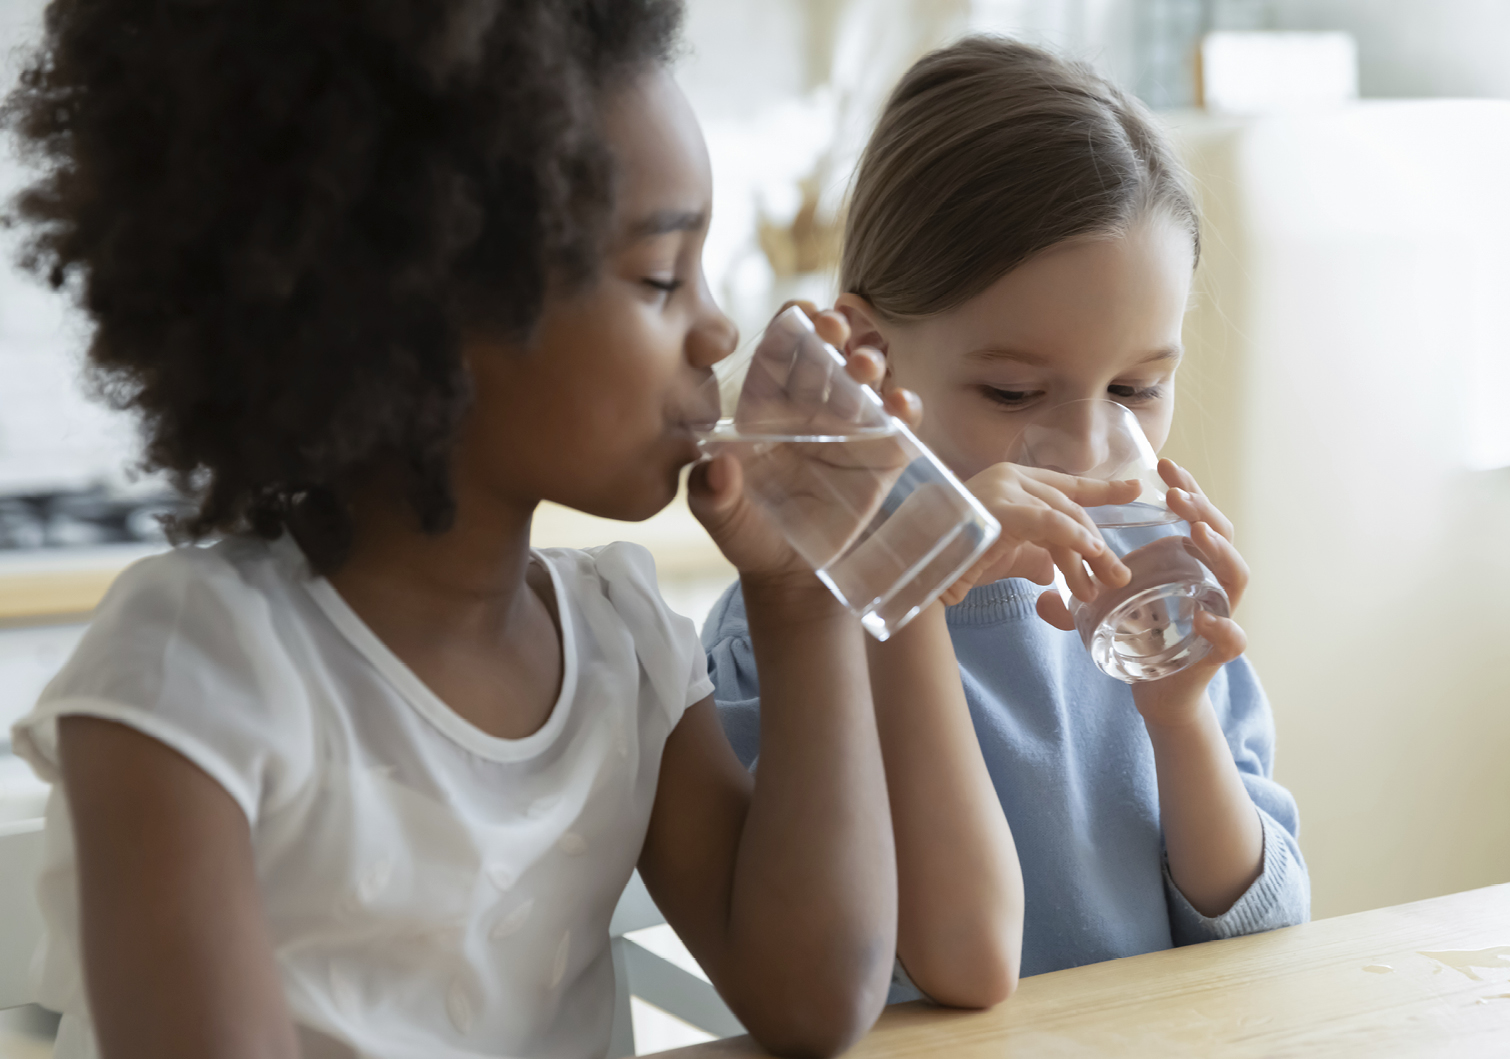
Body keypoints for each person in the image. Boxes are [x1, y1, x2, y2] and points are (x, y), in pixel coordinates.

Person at [6, 3, 913, 1056]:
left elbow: (817, 999)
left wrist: (802, 596)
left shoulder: (622, 642)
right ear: (424, 312)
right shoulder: (196, 675)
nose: (716, 327)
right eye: (662, 278)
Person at [704, 36, 1311, 1005]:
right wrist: (906, 568)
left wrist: (1181, 719)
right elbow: (952, 964)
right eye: (1015, 391)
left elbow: (1263, 940)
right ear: (870, 356)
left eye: (1137, 386)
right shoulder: (793, 625)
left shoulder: (1150, 612)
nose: (1084, 447)